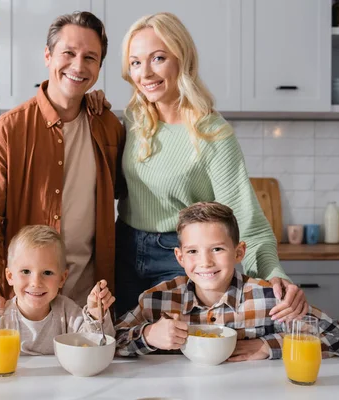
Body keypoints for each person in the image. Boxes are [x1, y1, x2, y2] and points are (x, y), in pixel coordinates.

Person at [105, 12, 306, 318]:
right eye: (135, 62)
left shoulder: (211, 133)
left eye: (157, 58)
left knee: (173, 351)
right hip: (123, 249)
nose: (144, 73)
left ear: (181, 59)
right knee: (125, 345)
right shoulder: (135, 118)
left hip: (182, 256)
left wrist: (273, 271)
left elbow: (245, 215)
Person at [0, 11, 124, 340]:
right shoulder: (9, 130)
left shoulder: (108, 126)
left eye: (90, 57)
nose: (78, 66)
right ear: (48, 56)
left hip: (88, 310)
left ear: (99, 68)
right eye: (68, 53)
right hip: (25, 310)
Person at [114, 202, 339, 361]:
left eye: (217, 249)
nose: (205, 262)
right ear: (180, 257)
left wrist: (269, 347)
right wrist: (147, 335)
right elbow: (112, 342)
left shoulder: (268, 298)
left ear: (239, 253)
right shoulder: (158, 300)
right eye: (193, 251)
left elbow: (338, 339)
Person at [0, 225, 115, 386]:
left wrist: (95, 314)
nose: (36, 282)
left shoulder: (68, 312)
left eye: (47, 273)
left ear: (62, 278)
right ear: (9, 276)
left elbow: (97, 343)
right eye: (25, 271)